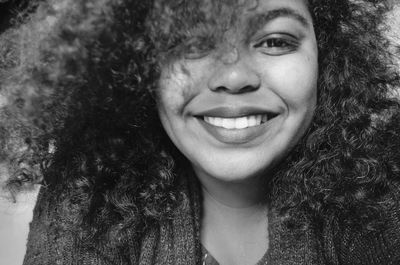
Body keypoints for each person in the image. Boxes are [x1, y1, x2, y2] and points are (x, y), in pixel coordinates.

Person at [1, 0, 399, 264]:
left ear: (326, 56)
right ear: (141, 67)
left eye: (275, 41)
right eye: (191, 44)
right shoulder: (85, 193)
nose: (234, 77)